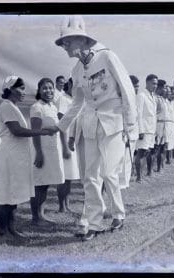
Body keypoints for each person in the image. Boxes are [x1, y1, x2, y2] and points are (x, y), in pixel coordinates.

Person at [51, 15, 137, 241]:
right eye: (63, 43)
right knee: (90, 176)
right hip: (90, 125)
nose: (65, 47)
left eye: (67, 42)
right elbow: (76, 103)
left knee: (109, 173)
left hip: (113, 122)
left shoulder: (107, 56)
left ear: (81, 40)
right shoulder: (76, 71)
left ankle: (118, 213)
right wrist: (60, 126)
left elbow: (127, 91)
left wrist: (131, 127)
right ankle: (94, 223)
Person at [0, 75, 54, 237]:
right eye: (20, 88)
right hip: (9, 156)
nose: (24, 92)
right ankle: (4, 229)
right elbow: (17, 131)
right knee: (6, 193)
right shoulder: (6, 106)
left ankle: (9, 228)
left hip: (15, 157)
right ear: (10, 90)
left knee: (12, 193)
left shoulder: (12, 107)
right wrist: (42, 132)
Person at [30, 78, 66, 224]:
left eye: (51, 88)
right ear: (39, 90)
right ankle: (35, 217)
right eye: (44, 88)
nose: (48, 91)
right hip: (42, 150)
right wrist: (39, 152)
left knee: (46, 183)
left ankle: (41, 215)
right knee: (39, 184)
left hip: (52, 151)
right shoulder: (37, 107)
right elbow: (35, 131)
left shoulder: (52, 107)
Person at [56, 78, 80, 212]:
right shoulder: (63, 99)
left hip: (73, 140)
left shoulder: (76, 100)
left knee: (70, 175)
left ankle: (67, 204)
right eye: (75, 85)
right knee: (64, 175)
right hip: (64, 140)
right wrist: (65, 145)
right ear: (69, 85)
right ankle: (61, 206)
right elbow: (62, 123)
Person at [134, 74, 158, 182]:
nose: (155, 86)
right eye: (153, 83)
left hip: (151, 130)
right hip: (144, 129)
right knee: (141, 152)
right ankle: (138, 176)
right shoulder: (142, 95)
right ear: (147, 82)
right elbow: (138, 114)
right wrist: (140, 130)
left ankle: (141, 175)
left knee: (147, 152)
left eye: (156, 84)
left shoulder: (152, 96)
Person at [119, 75, 139, 188]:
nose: (137, 89)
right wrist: (125, 134)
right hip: (125, 134)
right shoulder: (124, 98)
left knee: (128, 160)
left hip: (133, 134)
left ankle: (125, 182)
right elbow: (122, 118)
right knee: (122, 160)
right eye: (135, 86)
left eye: (137, 87)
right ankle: (120, 183)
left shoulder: (134, 99)